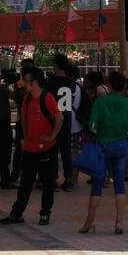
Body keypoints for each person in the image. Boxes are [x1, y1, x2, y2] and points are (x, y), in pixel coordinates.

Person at [79, 72, 128, 235]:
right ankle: (119, 223)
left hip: (103, 146)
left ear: (109, 85)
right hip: (122, 145)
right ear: (124, 86)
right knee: (120, 184)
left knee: (97, 184)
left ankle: (90, 221)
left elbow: (93, 126)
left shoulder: (100, 102)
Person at [0, 67, 62, 226]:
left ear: (34, 82)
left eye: (26, 81)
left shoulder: (46, 98)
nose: (23, 84)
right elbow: (23, 119)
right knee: (25, 183)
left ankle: (45, 213)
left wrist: (52, 136)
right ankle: (16, 214)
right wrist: (26, 137)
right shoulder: (27, 99)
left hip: (47, 148)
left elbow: (59, 117)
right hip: (30, 149)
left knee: (47, 183)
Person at [48, 55, 76, 189]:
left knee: (52, 150)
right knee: (66, 151)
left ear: (56, 65)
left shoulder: (49, 82)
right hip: (67, 118)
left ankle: (53, 179)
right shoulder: (71, 82)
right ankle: (69, 179)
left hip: (53, 119)